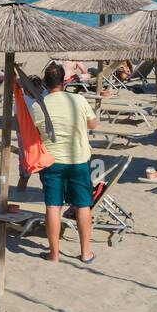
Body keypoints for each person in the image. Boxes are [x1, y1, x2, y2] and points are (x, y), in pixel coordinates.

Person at [33, 62, 99, 264]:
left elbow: (35, 133)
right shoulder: (78, 99)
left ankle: (54, 254)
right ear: (64, 81)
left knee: (53, 207)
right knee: (82, 205)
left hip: (51, 160)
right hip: (78, 158)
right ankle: (85, 252)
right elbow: (93, 123)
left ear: (45, 83)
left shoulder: (38, 106)